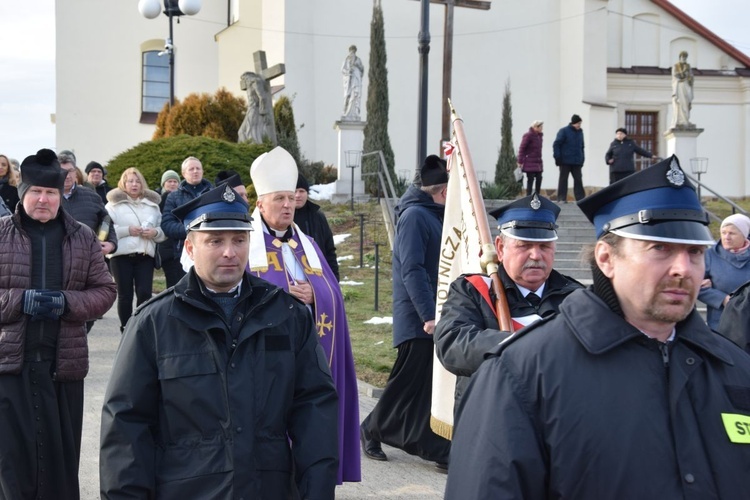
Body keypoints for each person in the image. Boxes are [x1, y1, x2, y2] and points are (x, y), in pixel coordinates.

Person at [445, 156, 750, 499]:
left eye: (694, 252)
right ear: (606, 258)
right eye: (659, 248)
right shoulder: (523, 374)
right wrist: (518, 344)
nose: (683, 268)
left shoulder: (735, 370)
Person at [100, 184, 339, 499]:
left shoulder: (287, 315)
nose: (230, 252)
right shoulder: (153, 324)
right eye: (215, 241)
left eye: (239, 240)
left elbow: (315, 410)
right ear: (189, 248)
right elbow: (126, 425)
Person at [0, 148, 116, 499]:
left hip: (62, 365)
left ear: (60, 196)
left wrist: (68, 302)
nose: (43, 199)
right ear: (23, 194)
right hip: (10, 366)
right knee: (10, 464)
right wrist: (20, 301)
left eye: (50, 193)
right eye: (36, 191)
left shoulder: (81, 236)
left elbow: (105, 291)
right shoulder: (1, 234)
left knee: (60, 460)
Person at [246, 146, 360, 484]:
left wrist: (316, 296)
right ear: (260, 203)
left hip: (309, 356)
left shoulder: (306, 243)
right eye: (278, 198)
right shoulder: (246, 245)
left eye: (291, 198)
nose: (287, 205)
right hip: (266, 361)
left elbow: (333, 294)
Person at [434, 194, 583, 419]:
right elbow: (452, 343)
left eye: (544, 246)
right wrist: (522, 345)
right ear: (500, 248)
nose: (536, 255)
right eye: (524, 245)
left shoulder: (577, 297)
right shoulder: (472, 290)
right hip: (489, 420)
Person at [360, 155, 451, 469]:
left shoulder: (432, 213)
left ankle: (436, 446)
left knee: (423, 385)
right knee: (406, 384)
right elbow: (412, 270)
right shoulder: (414, 216)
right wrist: (428, 316)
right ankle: (370, 428)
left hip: (433, 314)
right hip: (418, 319)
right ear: (440, 192)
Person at [105, 167, 166, 332]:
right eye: (130, 181)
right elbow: (105, 231)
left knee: (145, 294)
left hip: (145, 255)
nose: (134, 184)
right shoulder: (112, 205)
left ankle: (142, 328)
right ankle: (126, 329)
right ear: (123, 183)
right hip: (121, 256)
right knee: (125, 296)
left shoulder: (153, 206)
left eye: (137, 181)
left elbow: (162, 232)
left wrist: (154, 232)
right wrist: (127, 230)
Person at [160, 156, 213, 287]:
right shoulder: (173, 197)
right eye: (191, 169)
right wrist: (192, 229)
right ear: (183, 173)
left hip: (211, 252)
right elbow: (167, 224)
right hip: (182, 254)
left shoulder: (213, 193)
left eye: (198, 168)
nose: (195, 171)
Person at [58, 151, 117, 257]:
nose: (67, 176)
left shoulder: (92, 196)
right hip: (58, 258)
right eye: (62, 171)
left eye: (70, 171)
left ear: (76, 172)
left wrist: (112, 243)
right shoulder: (46, 198)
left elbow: (107, 220)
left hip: (88, 258)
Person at [697, 213, 750, 331]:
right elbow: (696, 285)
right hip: (721, 324)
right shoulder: (709, 256)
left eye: (732, 233)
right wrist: (723, 299)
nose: (726, 237)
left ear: (744, 235)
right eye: (723, 232)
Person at [294, 174, 340, 281]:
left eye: (301, 191)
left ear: (307, 193)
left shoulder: (318, 216)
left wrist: (334, 280)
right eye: (294, 191)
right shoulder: (283, 218)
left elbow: (329, 250)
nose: (297, 195)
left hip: (319, 275)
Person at [156, 169, 183, 286]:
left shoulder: (182, 198)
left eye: (175, 181)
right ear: (163, 184)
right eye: (169, 181)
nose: (172, 184)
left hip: (180, 247)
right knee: (172, 282)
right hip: (166, 246)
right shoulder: (157, 200)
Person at [553, 114, 586, 202]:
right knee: (563, 180)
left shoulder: (580, 133)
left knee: (578, 180)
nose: (579, 125)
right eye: (578, 123)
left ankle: (581, 199)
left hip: (577, 162)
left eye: (580, 123)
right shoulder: (564, 131)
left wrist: (582, 159)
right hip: (565, 161)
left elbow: (582, 147)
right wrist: (557, 157)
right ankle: (561, 198)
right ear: (573, 123)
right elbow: (556, 144)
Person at [238, 71, 277, 144]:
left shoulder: (255, 82)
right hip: (250, 110)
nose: (244, 81)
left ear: (248, 76)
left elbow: (262, 97)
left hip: (255, 110)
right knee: (241, 132)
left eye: (245, 79)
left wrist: (263, 112)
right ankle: (246, 148)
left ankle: (254, 147)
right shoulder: (250, 84)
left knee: (251, 131)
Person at [517, 120, 544, 196]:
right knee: (530, 179)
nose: (542, 128)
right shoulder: (528, 135)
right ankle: (528, 196)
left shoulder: (539, 136)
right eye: (540, 127)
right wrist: (520, 161)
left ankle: (537, 195)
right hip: (529, 161)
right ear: (535, 127)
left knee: (539, 178)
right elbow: (522, 148)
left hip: (538, 162)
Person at [672, 50, 694, 128]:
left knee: (686, 103)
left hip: (686, 86)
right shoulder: (676, 66)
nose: (684, 58)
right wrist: (683, 73)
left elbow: (691, 76)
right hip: (679, 86)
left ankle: (686, 120)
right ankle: (681, 120)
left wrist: (689, 77)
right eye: (682, 57)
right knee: (680, 102)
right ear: (680, 57)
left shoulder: (688, 66)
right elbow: (675, 75)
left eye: (685, 57)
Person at [341, 45, 364, 120]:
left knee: (355, 95)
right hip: (349, 81)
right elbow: (342, 70)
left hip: (356, 79)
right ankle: (345, 111)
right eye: (351, 51)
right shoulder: (346, 60)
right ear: (349, 51)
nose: (352, 52)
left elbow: (362, 70)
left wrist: (358, 66)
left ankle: (355, 112)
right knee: (348, 95)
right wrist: (348, 71)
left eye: (353, 51)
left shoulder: (358, 60)